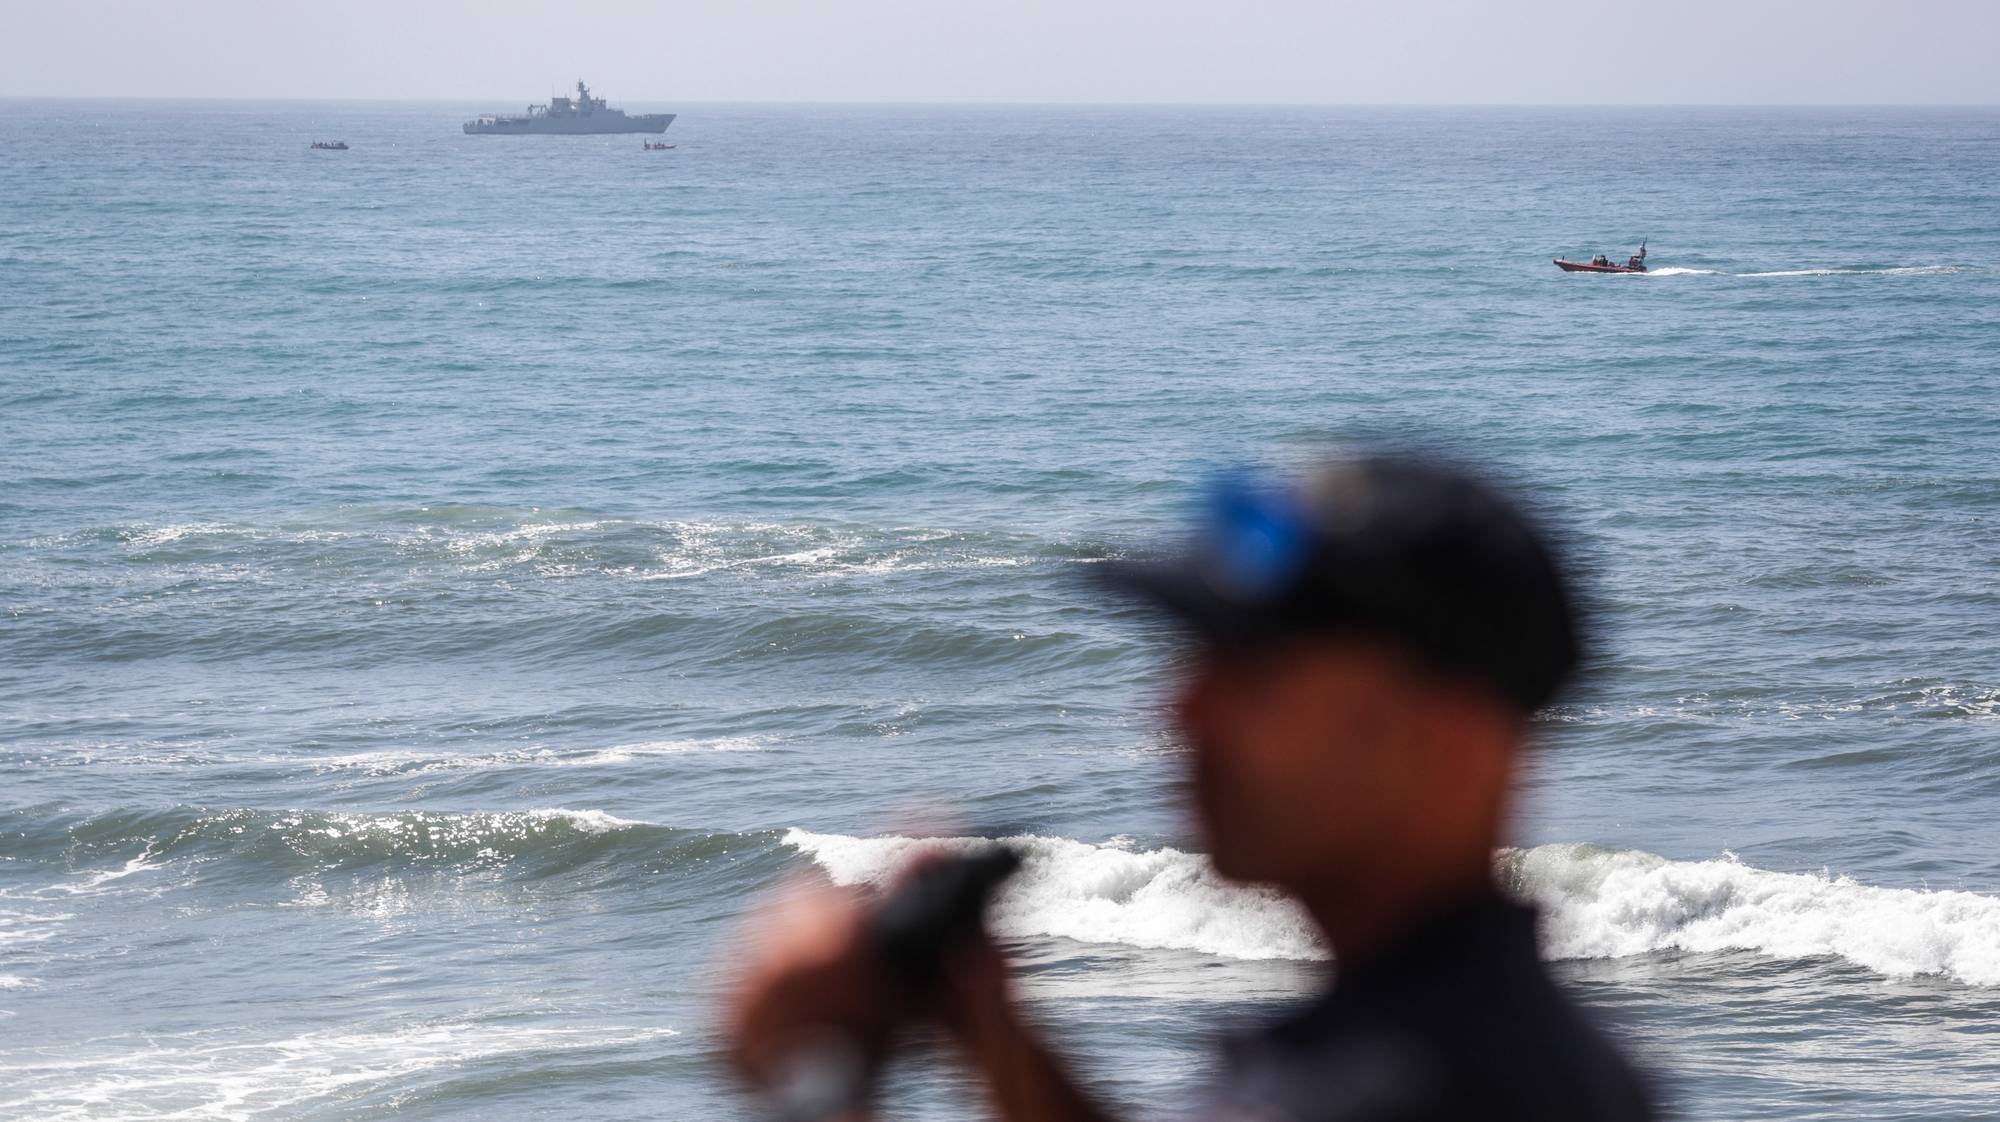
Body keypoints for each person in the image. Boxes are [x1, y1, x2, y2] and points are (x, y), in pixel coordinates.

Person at [725, 452, 1658, 1121]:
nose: (1181, 712)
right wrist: (985, 1026)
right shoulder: (1488, 1040)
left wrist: (825, 1091)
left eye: (1250, 675)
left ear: (1450, 740)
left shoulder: (1392, 1087)